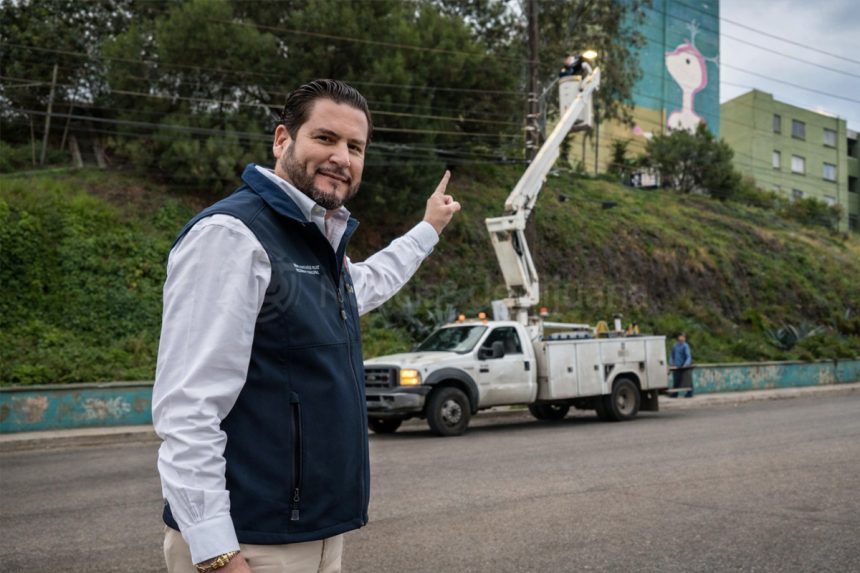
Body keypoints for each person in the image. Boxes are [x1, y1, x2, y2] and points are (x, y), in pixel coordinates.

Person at [152, 79, 461, 573]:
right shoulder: (231, 235)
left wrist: (428, 229)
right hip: (251, 545)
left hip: (315, 536)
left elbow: (370, 282)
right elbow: (189, 409)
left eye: (355, 147)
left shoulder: (315, 245)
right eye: (325, 138)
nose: (342, 157)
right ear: (282, 140)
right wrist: (217, 553)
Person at [669, 333, 694, 398]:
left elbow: (688, 356)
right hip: (676, 367)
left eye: (683, 337)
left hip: (684, 367)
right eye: (681, 337)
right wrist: (671, 363)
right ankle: (675, 394)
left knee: (687, 380)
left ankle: (690, 393)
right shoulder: (675, 346)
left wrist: (686, 364)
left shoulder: (685, 346)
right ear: (678, 337)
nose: (682, 338)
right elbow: (672, 356)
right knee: (676, 380)